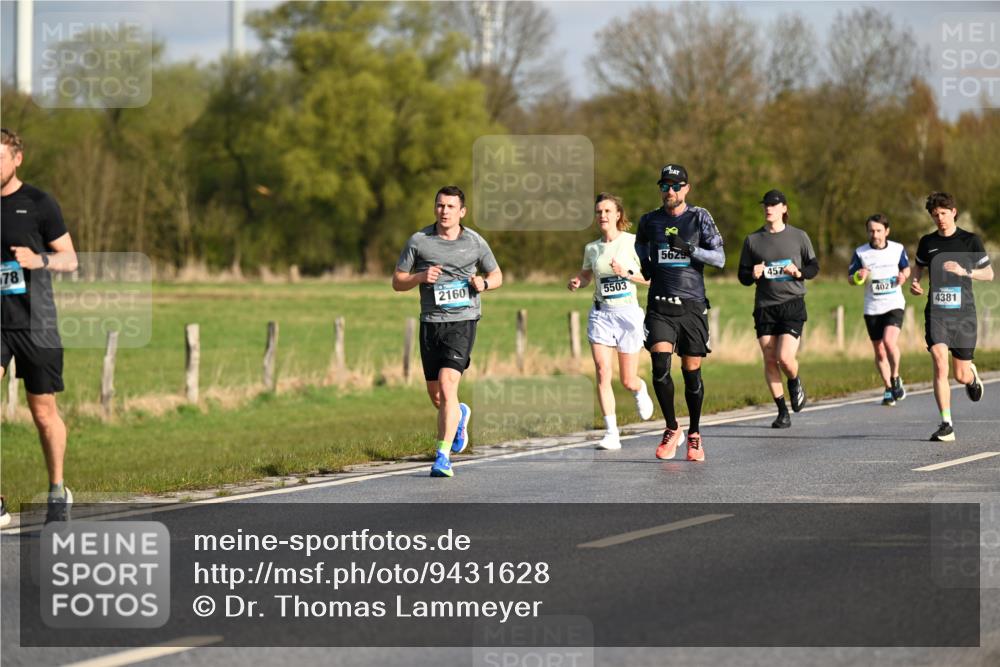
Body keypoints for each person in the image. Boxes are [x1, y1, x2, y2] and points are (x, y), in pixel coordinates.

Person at [393, 186, 502, 477]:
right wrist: (419, 276)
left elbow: (497, 275)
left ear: (462, 212)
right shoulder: (419, 241)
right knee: (437, 396)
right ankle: (460, 414)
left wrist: (484, 284)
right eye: (440, 205)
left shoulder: (475, 242)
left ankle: (442, 456)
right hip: (431, 322)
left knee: (447, 384)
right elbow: (397, 281)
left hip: (462, 321)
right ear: (435, 208)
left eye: (451, 206)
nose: (444, 211)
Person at [1, 128, 78, 523]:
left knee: (43, 413)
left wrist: (39, 260)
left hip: (36, 321)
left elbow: (70, 258)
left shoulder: (39, 203)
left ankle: (57, 491)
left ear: (17, 159)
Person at [635, 164, 726, 462]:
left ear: (686, 188)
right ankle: (672, 427)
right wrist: (646, 263)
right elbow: (640, 243)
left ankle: (695, 434)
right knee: (660, 367)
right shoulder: (650, 220)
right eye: (665, 186)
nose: (670, 191)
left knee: (691, 373)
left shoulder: (699, 217)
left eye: (675, 186)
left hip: (692, 306)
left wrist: (688, 249)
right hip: (660, 305)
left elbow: (720, 258)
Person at [568, 193, 654, 450]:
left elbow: (651, 278)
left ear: (618, 215)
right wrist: (578, 282)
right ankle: (611, 433)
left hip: (627, 314)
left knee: (627, 379)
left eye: (607, 211)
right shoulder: (592, 248)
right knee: (603, 372)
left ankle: (639, 389)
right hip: (601, 314)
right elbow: (586, 275)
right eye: (599, 212)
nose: (602, 215)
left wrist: (626, 273)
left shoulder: (634, 242)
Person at [910, 192, 992, 442]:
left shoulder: (970, 241)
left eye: (944, 214)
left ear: (953, 212)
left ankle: (971, 377)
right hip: (937, 312)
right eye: (935, 215)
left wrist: (964, 271)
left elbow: (988, 274)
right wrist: (915, 281)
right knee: (939, 362)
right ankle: (946, 424)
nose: (940, 219)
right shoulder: (927, 242)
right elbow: (919, 265)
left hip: (964, 315)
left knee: (960, 375)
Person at [737, 189, 819, 429]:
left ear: (784, 208)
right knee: (770, 359)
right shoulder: (753, 240)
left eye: (773, 205)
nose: (768, 208)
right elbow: (742, 276)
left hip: (792, 304)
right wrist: (752, 274)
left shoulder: (799, 236)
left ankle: (794, 380)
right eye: (765, 205)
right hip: (765, 307)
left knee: (784, 357)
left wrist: (799, 272)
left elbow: (814, 267)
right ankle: (782, 411)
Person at [847, 214, 910, 406]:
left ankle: (895, 377)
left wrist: (903, 277)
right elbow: (850, 279)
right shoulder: (861, 253)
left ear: (887, 231)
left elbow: (906, 268)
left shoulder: (897, 249)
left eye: (879, 231)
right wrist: (858, 276)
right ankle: (889, 389)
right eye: (871, 231)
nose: (875, 235)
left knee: (889, 342)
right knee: (880, 351)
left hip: (894, 304)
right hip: (872, 307)